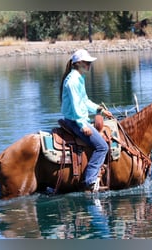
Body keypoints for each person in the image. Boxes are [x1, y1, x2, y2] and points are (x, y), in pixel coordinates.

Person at [60, 49, 112, 192]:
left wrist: (99, 110)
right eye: (87, 62)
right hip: (75, 121)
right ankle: (90, 181)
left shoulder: (79, 78)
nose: (89, 64)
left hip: (77, 119)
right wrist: (83, 125)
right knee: (102, 147)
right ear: (78, 63)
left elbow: (85, 101)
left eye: (89, 62)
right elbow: (77, 105)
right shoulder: (73, 81)